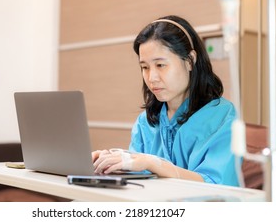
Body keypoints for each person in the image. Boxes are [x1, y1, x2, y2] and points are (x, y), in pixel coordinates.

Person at [92, 15, 239, 186]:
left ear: (190, 60)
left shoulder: (223, 117)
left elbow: (214, 184)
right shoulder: (145, 122)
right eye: (144, 67)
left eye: (160, 65)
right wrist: (112, 162)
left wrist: (153, 163)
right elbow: (138, 175)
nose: (151, 78)